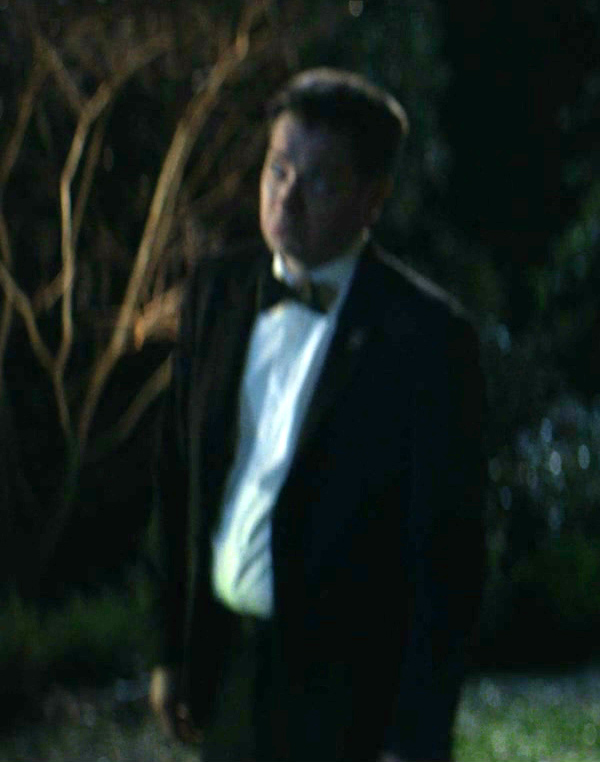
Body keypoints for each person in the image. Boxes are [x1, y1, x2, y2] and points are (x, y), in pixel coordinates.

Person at [145, 68, 486, 762]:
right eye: (277, 170)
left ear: (373, 198)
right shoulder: (217, 292)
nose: (286, 198)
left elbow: (448, 559)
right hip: (228, 669)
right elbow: (177, 480)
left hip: (350, 699)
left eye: (320, 183)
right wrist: (168, 651)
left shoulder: (425, 338)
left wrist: (415, 739)